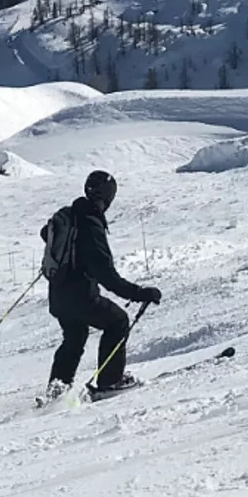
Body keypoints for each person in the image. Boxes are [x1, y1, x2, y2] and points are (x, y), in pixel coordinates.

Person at [40, 170, 160, 398]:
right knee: (117, 321)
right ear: (109, 197)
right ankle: (110, 382)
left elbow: (45, 233)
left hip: (58, 295)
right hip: (81, 296)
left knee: (74, 337)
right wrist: (139, 293)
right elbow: (105, 274)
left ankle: (56, 391)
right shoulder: (90, 225)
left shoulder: (68, 215)